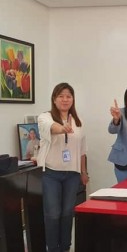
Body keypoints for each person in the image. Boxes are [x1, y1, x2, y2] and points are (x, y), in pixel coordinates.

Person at [37, 82, 88, 252]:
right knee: (52, 214)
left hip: (72, 175)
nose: (65, 99)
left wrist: (84, 172)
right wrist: (62, 128)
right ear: (54, 98)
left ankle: (65, 247)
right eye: (61, 96)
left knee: (67, 214)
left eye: (68, 96)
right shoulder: (45, 117)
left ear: (73, 99)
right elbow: (51, 128)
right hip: (50, 173)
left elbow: (82, 150)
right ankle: (53, 248)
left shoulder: (78, 122)